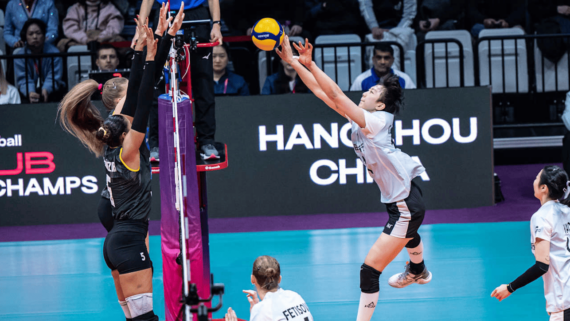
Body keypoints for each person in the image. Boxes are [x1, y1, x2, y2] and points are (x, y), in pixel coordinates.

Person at [276, 36, 431, 321]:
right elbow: (323, 94)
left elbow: (335, 94)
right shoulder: (362, 118)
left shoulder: (376, 121)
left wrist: (310, 62)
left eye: (372, 91)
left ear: (381, 105)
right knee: (406, 234)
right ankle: (419, 270)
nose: (365, 92)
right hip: (402, 199)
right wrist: (295, 62)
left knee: (369, 271)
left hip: (405, 205)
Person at [58, 21, 160, 321]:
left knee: (135, 319)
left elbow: (139, 94)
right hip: (127, 240)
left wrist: (147, 48)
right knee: (145, 320)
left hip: (118, 239)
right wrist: (149, 55)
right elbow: (142, 100)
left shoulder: (113, 140)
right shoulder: (129, 148)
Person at [491, 165, 570, 321]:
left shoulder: (541, 217)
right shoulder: (566, 210)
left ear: (543, 188)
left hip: (563, 302)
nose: (533, 181)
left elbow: (542, 265)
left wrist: (509, 288)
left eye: (536, 178)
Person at [223, 255, 314, 321]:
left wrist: (258, 311)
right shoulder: (295, 296)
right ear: (279, 279)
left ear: (252, 279)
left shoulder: (263, 309)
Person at [14, 18, 64, 103]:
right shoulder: (20, 55)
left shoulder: (54, 53)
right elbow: (23, 79)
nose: (35, 37)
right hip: (28, 93)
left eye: (38, 33)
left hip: (52, 92)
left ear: (44, 35)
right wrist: (30, 92)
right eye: (30, 34)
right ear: (25, 37)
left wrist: (46, 90)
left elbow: (54, 77)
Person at [58, 0, 125, 52]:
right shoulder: (75, 8)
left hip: (104, 42)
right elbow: (70, 28)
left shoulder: (110, 8)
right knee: (62, 44)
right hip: (80, 41)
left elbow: (114, 27)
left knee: (121, 42)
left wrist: (100, 37)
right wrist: (85, 39)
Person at [351, 43, 415, 91]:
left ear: (392, 60)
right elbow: (352, 103)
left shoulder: (405, 79)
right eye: (379, 57)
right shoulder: (360, 80)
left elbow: (412, 99)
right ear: (373, 59)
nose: (382, 62)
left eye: (386, 58)